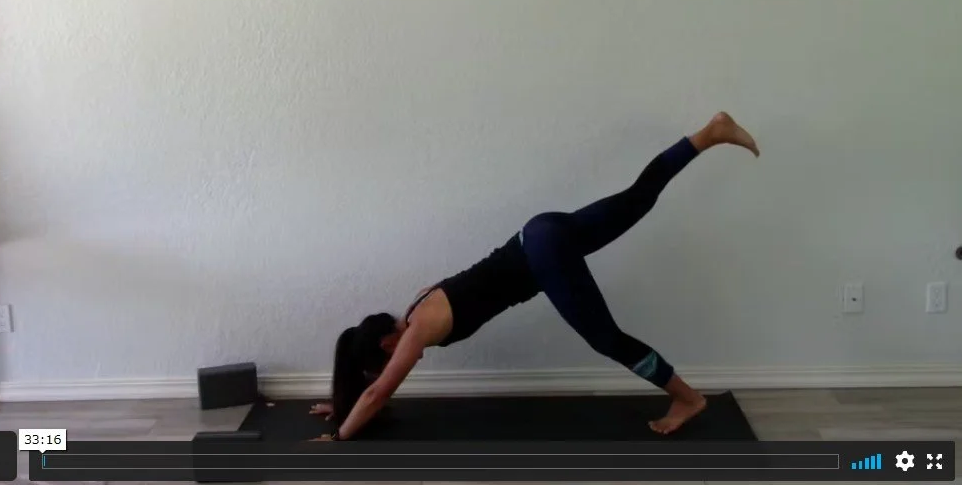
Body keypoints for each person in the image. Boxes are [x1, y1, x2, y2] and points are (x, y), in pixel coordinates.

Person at [310, 112, 760, 441]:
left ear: (387, 345)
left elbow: (378, 395)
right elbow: (370, 391)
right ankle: (708, 134)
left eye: (382, 362)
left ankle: (688, 398)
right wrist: (343, 405)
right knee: (637, 198)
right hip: (537, 232)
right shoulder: (420, 301)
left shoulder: (417, 332)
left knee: (607, 339)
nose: (391, 367)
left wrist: (340, 436)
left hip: (545, 255)